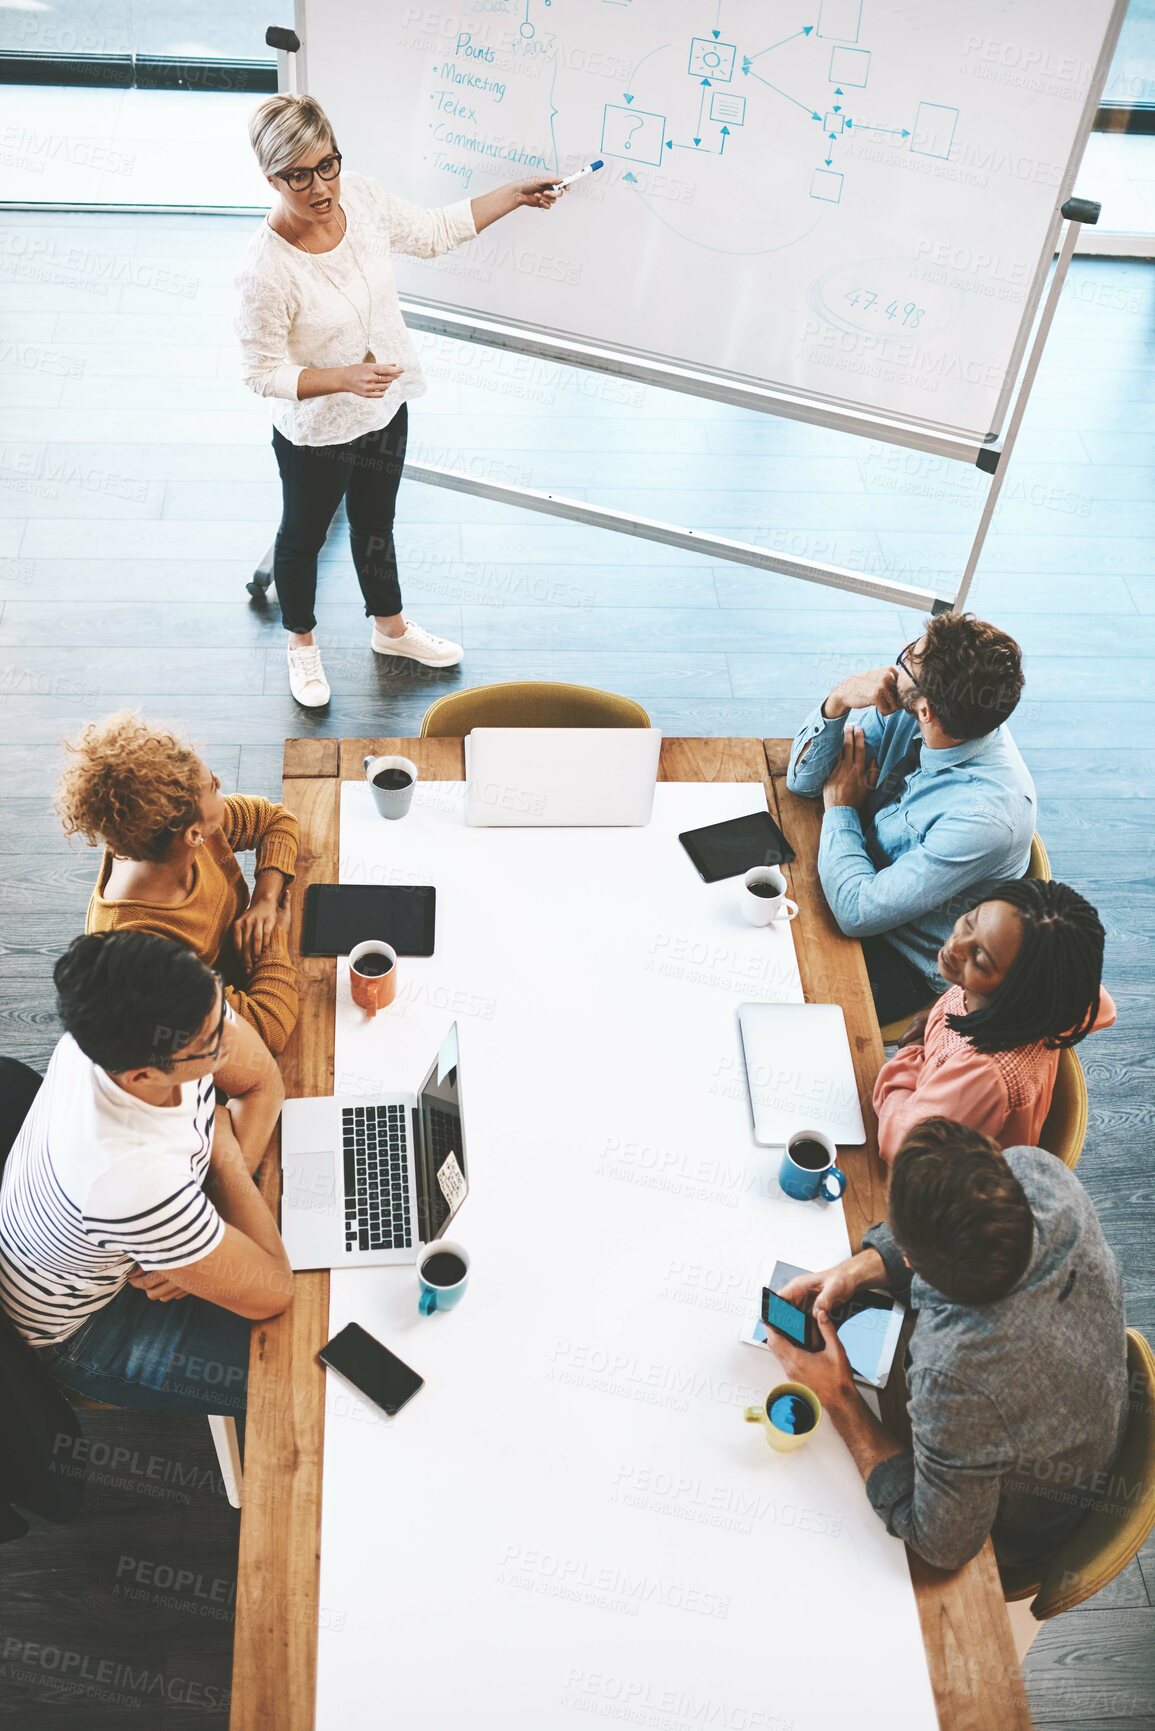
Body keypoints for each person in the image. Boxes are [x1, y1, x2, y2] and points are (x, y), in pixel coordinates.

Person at [236, 92, 568, 706]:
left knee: (375, 523)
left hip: (384, 405)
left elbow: (437, 231)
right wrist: (338, 378)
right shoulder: (265, 270)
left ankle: (389, 630)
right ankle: (302, 646)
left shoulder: (359, 196)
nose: (319, 187)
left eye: (326, 164)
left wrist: (514, 195)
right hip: (316, 428)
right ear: (271, 178)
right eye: (298, 176)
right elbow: (260, 373)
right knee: (303, 536)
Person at [770, 1119, 1128, 1574]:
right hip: (1085, 1418)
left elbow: (942, 1545)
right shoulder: (1039, 1172)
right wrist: (857, 1270)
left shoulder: (955, 1375)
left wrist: (838, 1395)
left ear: (912, 1261)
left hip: (1026, 1528)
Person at [0, 933, 292, 1415]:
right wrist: (226, 1161)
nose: (229, 1032)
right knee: (302, 1378)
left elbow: (265, 1081)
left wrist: (192, 1251)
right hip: (86, 1325)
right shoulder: (124, 1176)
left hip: (129, 1226)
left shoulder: (163, 1015)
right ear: (141, 1078)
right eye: (212, 1042)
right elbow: (273, 1291)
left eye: (219, 1002)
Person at [787, 611, 1036, 1025]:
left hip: (896, 954)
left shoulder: (986, 816)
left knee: (765, 998)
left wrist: (842, 808)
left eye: (905, 660)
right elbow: (803, 782)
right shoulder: (921, 711)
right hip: (849, 871)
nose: (892, 668)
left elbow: (857, 913)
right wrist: (838, 701)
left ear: (925, 712)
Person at [57, 711, 300, 1057]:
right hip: (205, 1033)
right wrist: (274, 936)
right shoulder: (141, 950)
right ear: (193, 834)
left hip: (240, 971)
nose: (218, 779)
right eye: (213, 786)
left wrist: (264, 899)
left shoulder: (168, 834)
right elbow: (267, 1030)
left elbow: (275, 819)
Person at [873, 880, 1116, 1160]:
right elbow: (1102, 1004)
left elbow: (899, 1144)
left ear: (1018, 994)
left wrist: (911, 1056)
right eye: (971, 921)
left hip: (936, 1175)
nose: (955, 945)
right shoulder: (1051, 998)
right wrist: (940, 1015)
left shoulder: (984, 1076)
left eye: (980, 958)